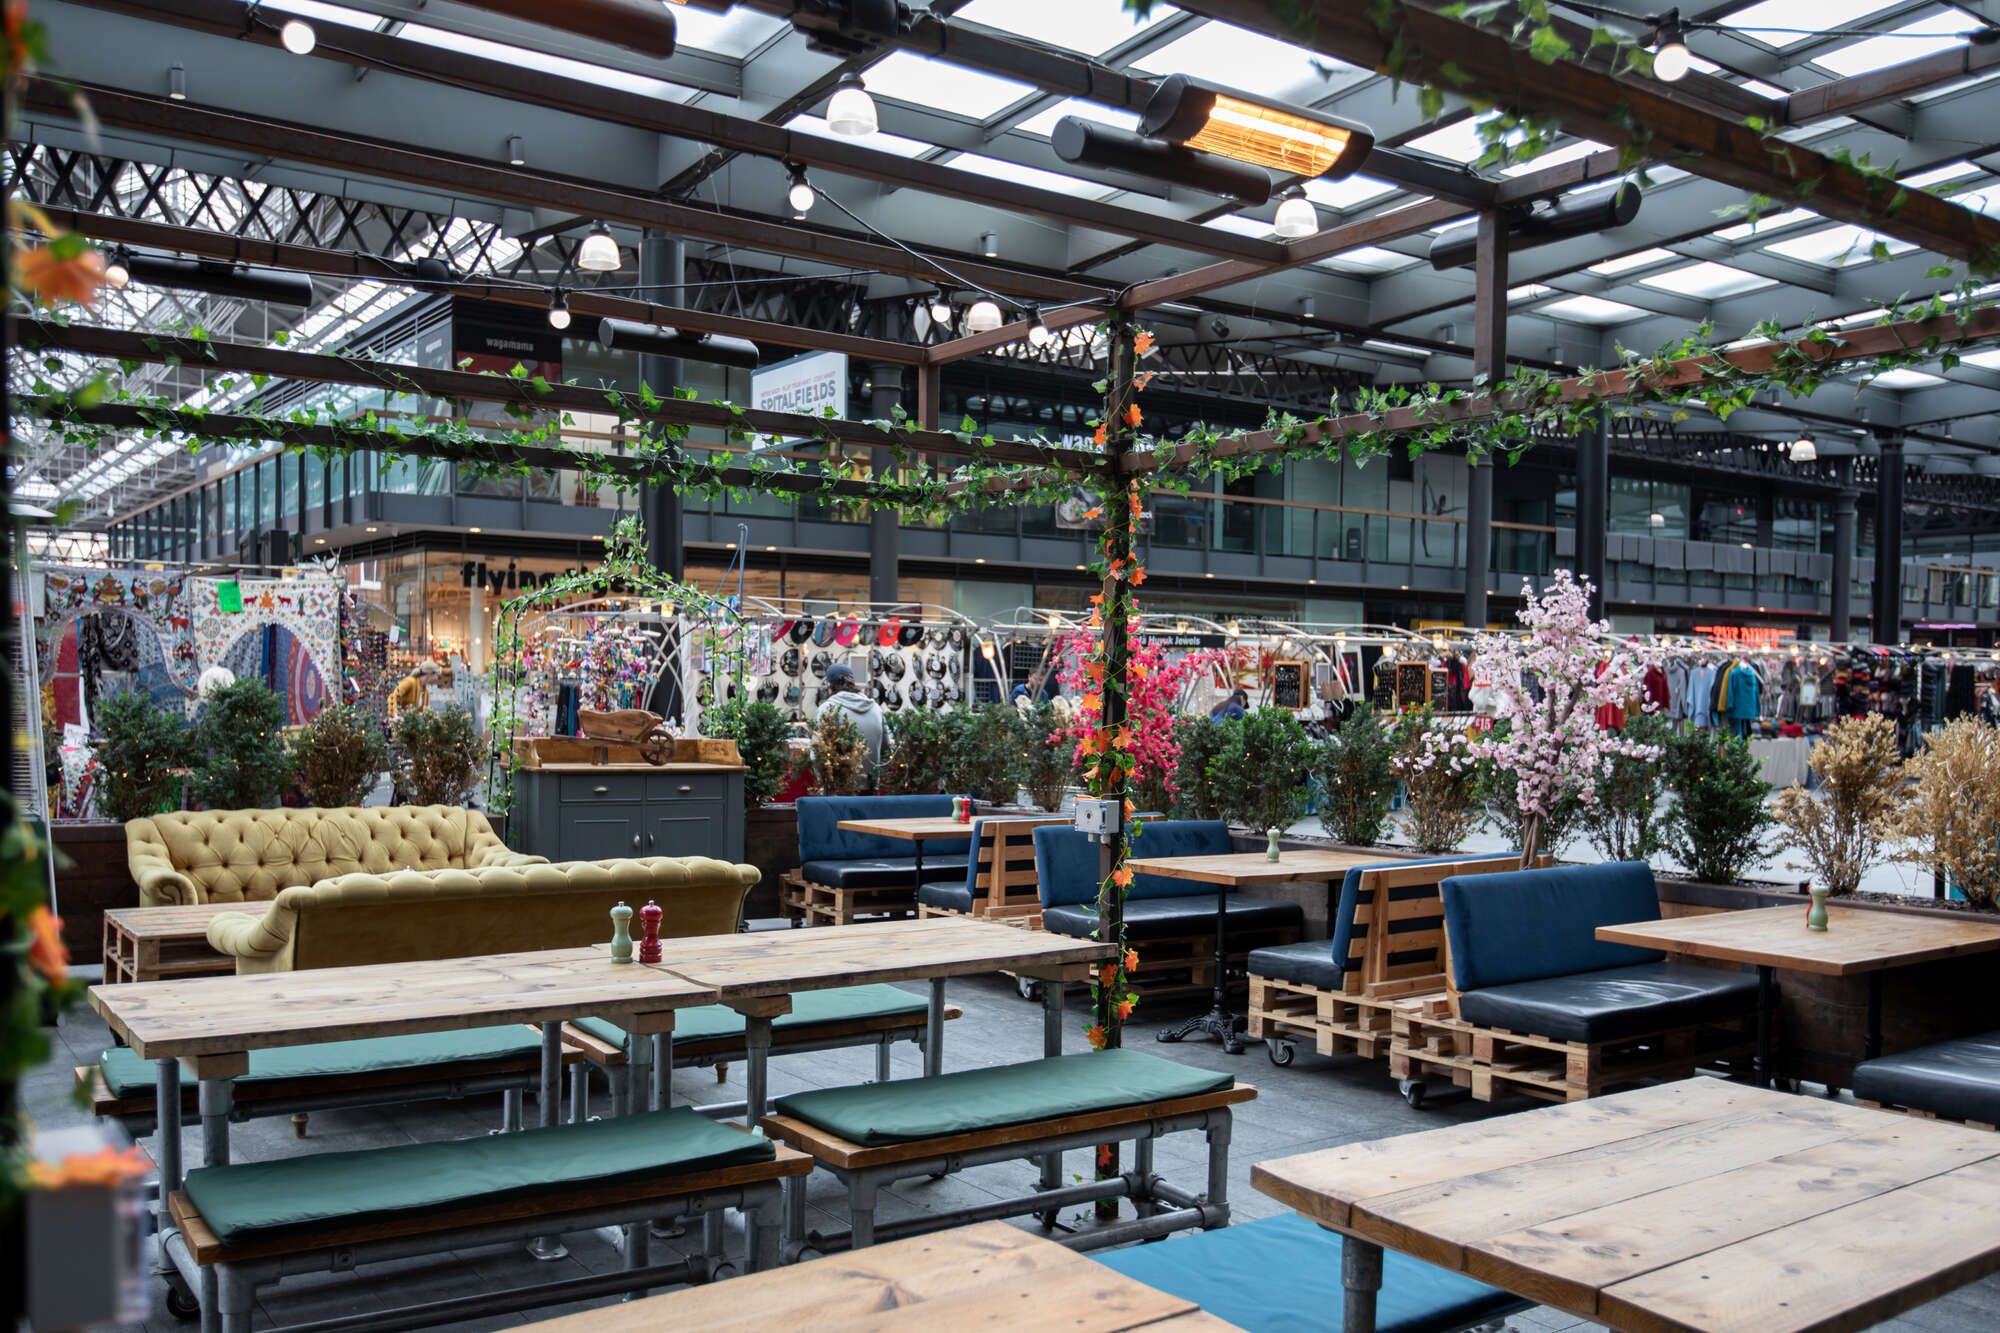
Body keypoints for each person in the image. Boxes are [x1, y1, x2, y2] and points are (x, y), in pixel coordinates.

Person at [815, 662, 885, 786]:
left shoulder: (826, 709)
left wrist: (821, 781)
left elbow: (817, 752)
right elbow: (887, 748)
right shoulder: (876, 708)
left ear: (829, 686)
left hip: (840, 790)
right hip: (871, 788)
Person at [388, 659, 439, 723]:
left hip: (410, 727)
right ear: (430, 673)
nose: (436, 678)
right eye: (436, 675)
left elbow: (422, 714)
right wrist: (396, 714)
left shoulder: (426, 693)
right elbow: (394, 696)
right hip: (398, 724)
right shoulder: (410, 682)